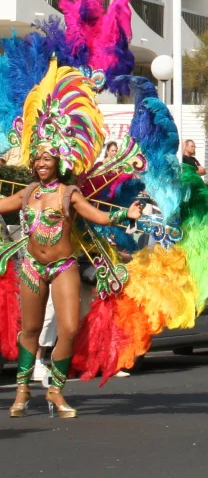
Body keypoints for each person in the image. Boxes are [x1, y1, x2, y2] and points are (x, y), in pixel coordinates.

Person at [0, 60, 141, 417]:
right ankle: (21, 391)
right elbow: (3, 204)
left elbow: (100, 216)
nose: (42, 163)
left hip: (63, 266)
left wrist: (128, 215)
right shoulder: (29, 192)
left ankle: (56, 391)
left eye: (48, 159)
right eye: (38, 159)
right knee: (30, 328)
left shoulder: (69, 194)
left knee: (67, 326)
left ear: (59, 162)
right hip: (31, 266)